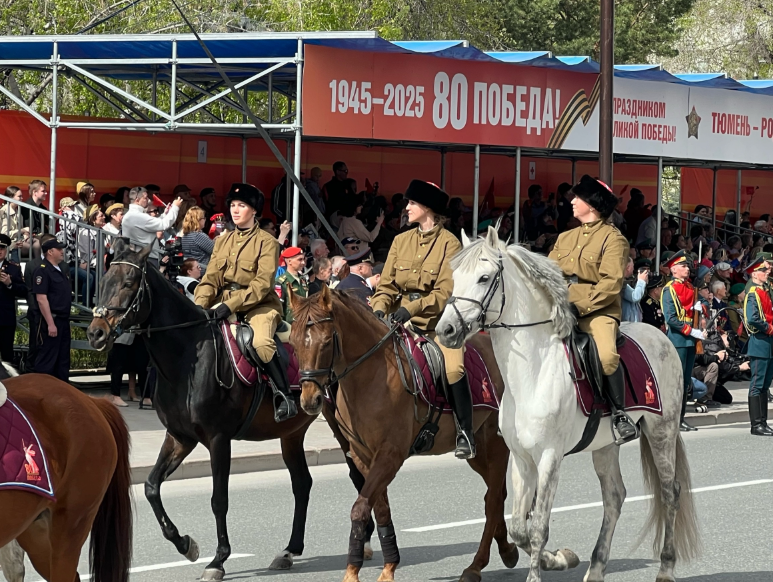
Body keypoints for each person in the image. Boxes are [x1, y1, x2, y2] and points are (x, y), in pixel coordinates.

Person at [370, 179, 474, 459]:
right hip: (397, 320)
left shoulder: (449, 244)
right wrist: (379, 308)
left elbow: (444, 292)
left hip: (436, 323)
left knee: (453, 369)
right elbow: (388, 285)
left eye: (412, 203)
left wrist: (411, 310)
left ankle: (465, 432)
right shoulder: (401, 240)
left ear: (428, 208)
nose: (407, 208)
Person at [194, 183, 297, 422]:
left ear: (255, 211)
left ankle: (284, 397)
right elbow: (210, 278)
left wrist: (230, 306)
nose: (235, 210)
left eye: (242, 206)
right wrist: (199, 305)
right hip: (221, 302)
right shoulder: (222, 241)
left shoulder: (267, 242)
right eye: (232, 205)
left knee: (261, 342)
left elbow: (262, 284)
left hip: (259, 305)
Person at [549, 175, 637, 444]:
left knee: (608, 356)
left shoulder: (614, 240)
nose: (572, 202)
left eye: (578, 198)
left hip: (597, 310)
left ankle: (620, 413)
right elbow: (548, 274)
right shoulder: (565, 237)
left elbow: (611, 283)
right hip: (559, 306)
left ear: (592, 204)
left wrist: (579, 306)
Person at [661, 250, 704, 432]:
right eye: (683, 266)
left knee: (685, 382)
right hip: (679, 339)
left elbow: (694, 312)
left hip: (690, 340)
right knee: (676, 382)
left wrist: (700, 310)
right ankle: (672, 419)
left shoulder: (689, 287)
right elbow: (671, 318)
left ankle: (681, 418)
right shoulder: (669, 289)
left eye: (687, 266)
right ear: (673, 269)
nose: (687, 268)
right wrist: (690, 330)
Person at [31, 238, 72, 382]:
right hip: (52, 320)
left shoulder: (61, 270)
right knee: (47, 360)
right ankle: (41, 391)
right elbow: (41, 299)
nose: (62, 252)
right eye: (59, 249)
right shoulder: (43, 271)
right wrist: (50, 323)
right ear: (50, 251)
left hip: (62, 320)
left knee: (62, 360)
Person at [741, 254, 773, 436]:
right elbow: (752, 318)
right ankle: (756, 424)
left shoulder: (764, 291)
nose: (765, 273)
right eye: (762, 270)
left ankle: (763, 422)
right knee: (757, 383)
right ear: (754, 274)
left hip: (768, 342)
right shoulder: (753, 293)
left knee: (765, 384)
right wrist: (769, 328)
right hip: (760, 340)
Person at [122, 186, 182, 266]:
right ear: (137, 200)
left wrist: (165, 214)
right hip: (146, 258)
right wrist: (175, 207)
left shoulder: (131, 215)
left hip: (142, 257)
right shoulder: (137, 216)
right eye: (145, 198)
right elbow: (164, 224)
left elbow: (154, 223)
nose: (149, 200)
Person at [0, 234, 26, 362]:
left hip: (5, 319)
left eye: (2, 248)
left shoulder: (13, 268)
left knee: (6, 357)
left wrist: (10, 284)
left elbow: (24, 290)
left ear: (6, 250)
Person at [276, 246, 308, 323]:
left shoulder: (303, 280)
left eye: (303, 259)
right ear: (289, 261)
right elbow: (278, 308)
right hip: (289, 324)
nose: (303, 262)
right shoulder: (281, 282)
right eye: (300, 259)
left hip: (303, 322)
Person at [0, 186, 30, 262]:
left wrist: (25, 235)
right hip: (8, 244)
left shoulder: (18, 212)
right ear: (10, 197)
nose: (22, 198)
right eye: (19, 196)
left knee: (36, 242)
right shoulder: (4, 212)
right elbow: (5, 234)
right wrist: (23, 230)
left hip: (18, 242)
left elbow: (20, 231)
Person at [181, 206, 215, 270]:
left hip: (190, 270)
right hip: (201, 271)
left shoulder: (186, 235)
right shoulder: (198, 236)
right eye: (204, 218)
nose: (205, 220)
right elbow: (215, 250)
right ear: (198, 220)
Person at [621, 257, 648, 323]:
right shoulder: (621, 283)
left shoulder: (627, 280)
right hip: (626, 325)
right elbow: (635, 297)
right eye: (632, 266)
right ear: (627, 267)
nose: (633, 269)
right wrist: (641, 281)